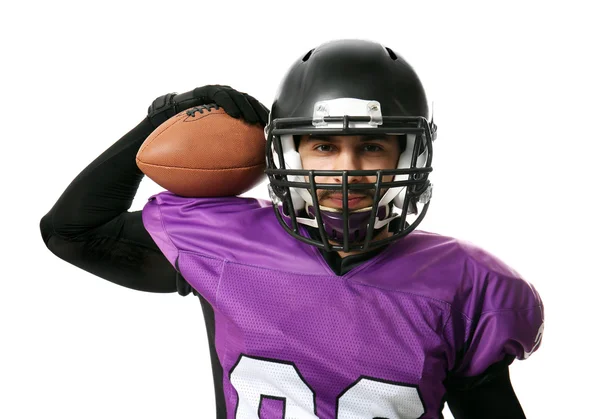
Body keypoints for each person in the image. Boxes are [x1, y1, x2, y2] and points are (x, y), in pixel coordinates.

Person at [40, 39, 544, 418]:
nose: (348, 170)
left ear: (408, 155)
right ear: (286, 151)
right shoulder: (222, 241)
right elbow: (70, 232)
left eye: (372, 146)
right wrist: (164, 121)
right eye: (323, 146)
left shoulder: (465, 282)